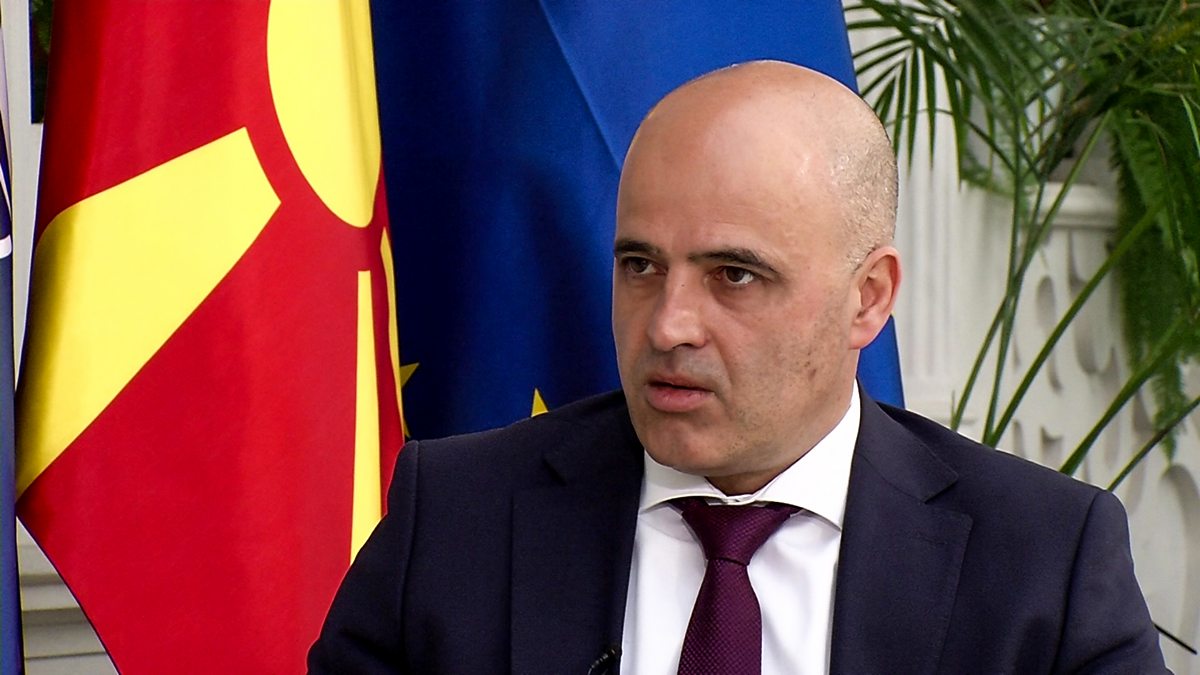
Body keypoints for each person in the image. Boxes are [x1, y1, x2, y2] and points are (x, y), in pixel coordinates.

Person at [309, 61, 1167, 674]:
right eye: (640, 265)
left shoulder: (1041, 563)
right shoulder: (455, 518)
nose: (668, 323)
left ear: (868, 298)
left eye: (734, 275)